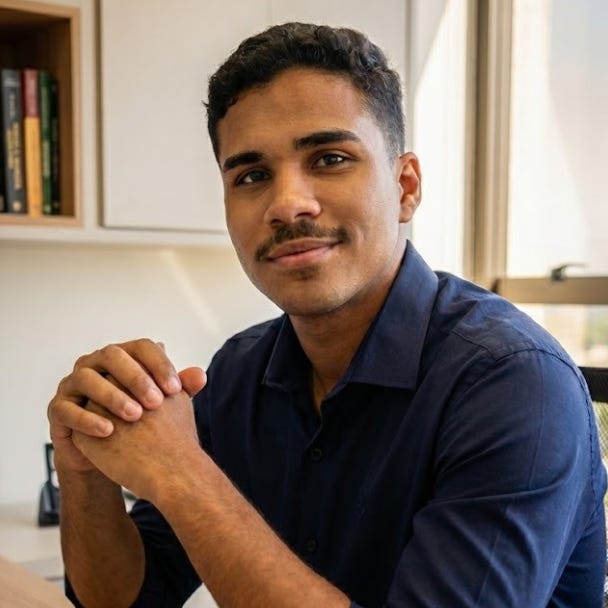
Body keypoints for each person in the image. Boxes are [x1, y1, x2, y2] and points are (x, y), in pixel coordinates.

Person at [47, 22, 606, 608]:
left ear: (405, 187)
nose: (288, 204)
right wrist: (84, 469)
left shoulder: (516, 381)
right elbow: (126, 599)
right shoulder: (238, 372)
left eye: (331, 158)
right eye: (252, 175)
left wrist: (182, 473)